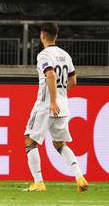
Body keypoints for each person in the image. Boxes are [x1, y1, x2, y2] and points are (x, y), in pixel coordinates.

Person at [23, 23, 88, 192]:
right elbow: (73, 81)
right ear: (56, 36)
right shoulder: (65, 55)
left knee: (30, 141)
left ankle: (38, 182)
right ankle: (79, 176)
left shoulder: (44, 55)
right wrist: (60, 96)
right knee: (60, 144)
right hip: (63, 106)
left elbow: (50, 74)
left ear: (42, 35)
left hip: (46, 106)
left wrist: (52, 100)